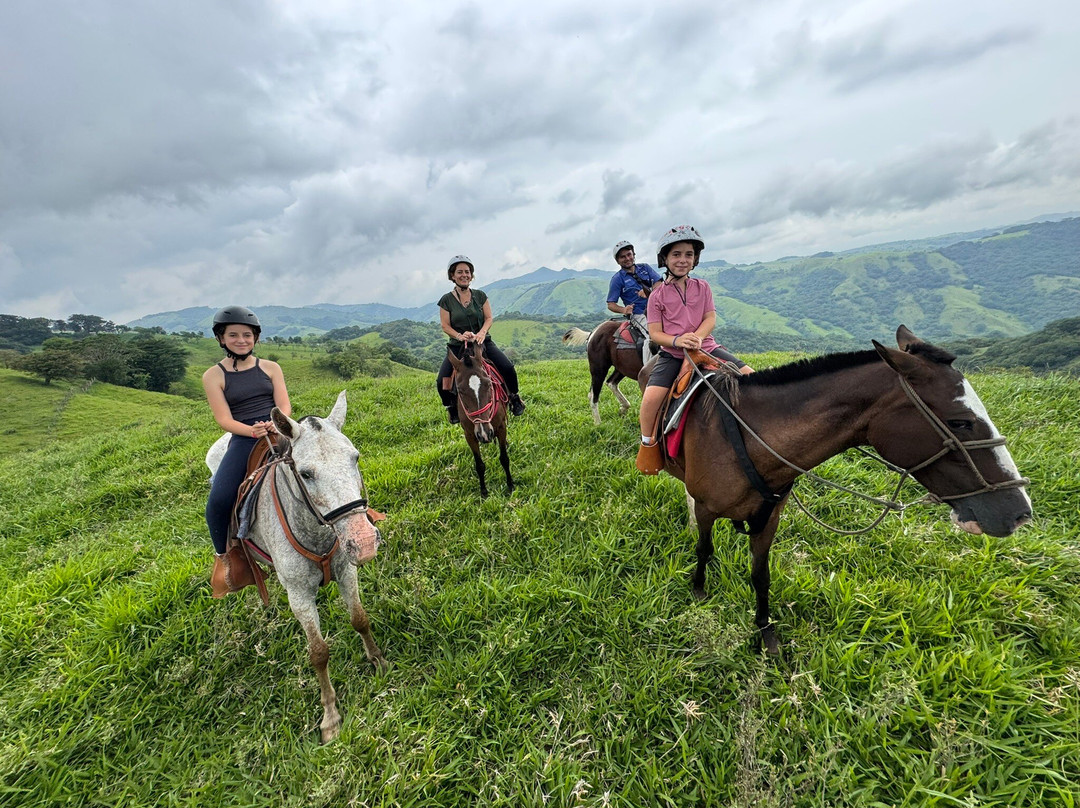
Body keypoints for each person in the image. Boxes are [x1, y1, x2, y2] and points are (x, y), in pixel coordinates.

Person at [636, 226, 754, 474]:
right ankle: (648, 444)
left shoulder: (703, 287)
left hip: (707, 347)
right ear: (665, 259)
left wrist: (697, 338)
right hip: (673, 354)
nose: (683, 260)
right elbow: (656, 333)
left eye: (688, 254)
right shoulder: (657, 296)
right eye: (676, 254)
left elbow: (710, 318)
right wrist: (679, 341)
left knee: (752, 376)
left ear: (695, 259)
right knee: (651, 399)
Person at [202, 305, 291, 580]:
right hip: (244, 438)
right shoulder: (213, 375)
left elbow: (284, 404)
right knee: (219, 499)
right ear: (221, 339)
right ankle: (227, 559)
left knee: (327, 462)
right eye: (233, 335)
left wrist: (275, 422)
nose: (241, 340)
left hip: (279, 430)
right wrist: (251, 431)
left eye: (247, 335)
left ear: (255, 337)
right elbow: (223, 419)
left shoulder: (271, 367)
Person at [436, 255, 526, 424]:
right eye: (460, 272)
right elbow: (445, 325)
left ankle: (514, 398)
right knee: (443, 380)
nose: (464, 275)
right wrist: (459, 336)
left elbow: (489, 318)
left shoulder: (480, 295)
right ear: (452, 276)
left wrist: (482, 334)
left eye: (467, 272)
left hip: (482, 342)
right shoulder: (446, 300)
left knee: (507, 367)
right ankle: (452, 408)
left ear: (472, 275)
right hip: (458, 345)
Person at [606, 240, 662, 363]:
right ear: (618, 261)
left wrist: (649, 291)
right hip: (639, 314)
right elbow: (611, 304)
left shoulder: (645, 268)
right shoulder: (617, 279)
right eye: (622, 257)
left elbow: (659, 283)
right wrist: (624, 310)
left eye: (629, 254)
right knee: (651, 336)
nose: (627, 258)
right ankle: (649, 372)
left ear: (633, 254)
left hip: (659, 309)